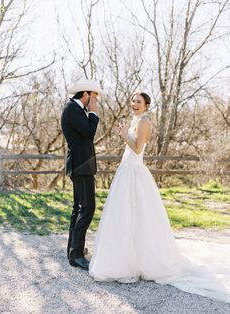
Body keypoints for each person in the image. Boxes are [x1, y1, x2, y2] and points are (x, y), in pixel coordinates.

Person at [89, 92, 230, 302]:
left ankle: (143, 262)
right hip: (126, 171)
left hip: (135, 172)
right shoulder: (136, 120)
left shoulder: (144, 121)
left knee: (139, 215)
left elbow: (137, 149)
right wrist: (126, 131)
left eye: (138, 102)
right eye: (133, 101)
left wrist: (125, 134)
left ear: (146, 105)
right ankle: (123, 260)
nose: (134, 104)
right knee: (123, 217)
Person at [61, 78, 105, 270]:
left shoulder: (76, 110)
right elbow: (88, 132)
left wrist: (91, 111)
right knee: (87, 207)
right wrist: (94, 113)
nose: (95, 100)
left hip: (80, 164)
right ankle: (76, 254)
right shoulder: (72, 109)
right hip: (81, 166)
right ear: (86, 94)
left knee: (79, 207)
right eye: (94, 96)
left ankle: (73, 250)